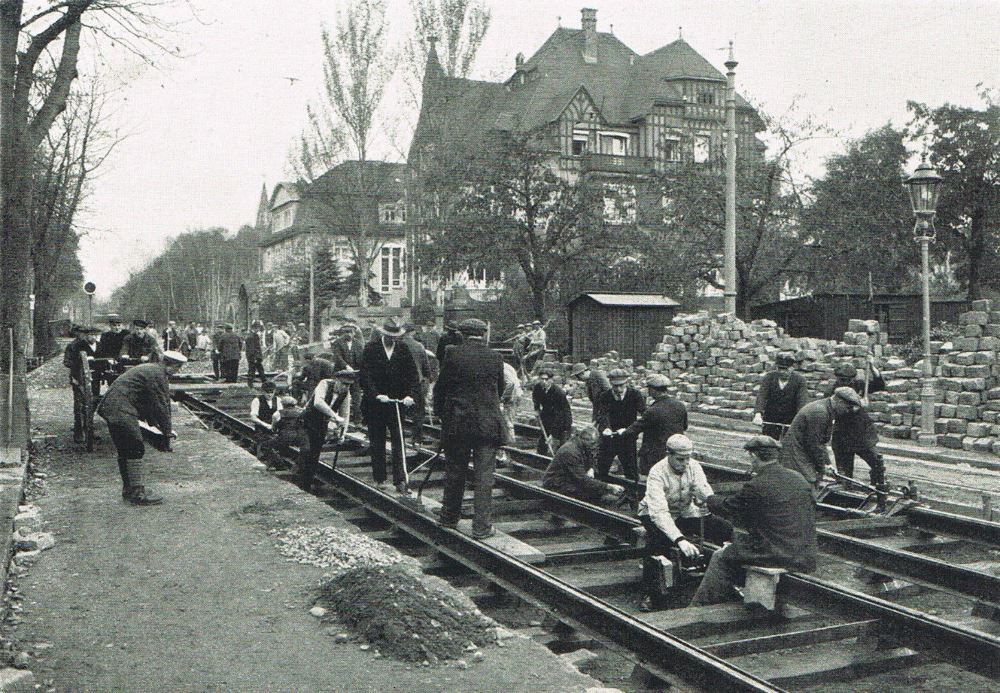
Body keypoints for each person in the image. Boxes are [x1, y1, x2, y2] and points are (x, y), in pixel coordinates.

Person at [691, 435, 817, 606]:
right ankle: (732, 594)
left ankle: (700, 606)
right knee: (736, 543)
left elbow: (728, 507)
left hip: (777, 553)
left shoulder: (756, 485)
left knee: (720, 557)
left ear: (754, 456)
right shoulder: (799, 478)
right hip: (805, 552)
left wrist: (708, 498)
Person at [638, 434, 733, 611]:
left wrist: (710, 504)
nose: (685, 463)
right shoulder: (657, 472)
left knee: (725, 529)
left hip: (685, 512)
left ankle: (727, 581)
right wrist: (680, 540)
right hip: (654, 514)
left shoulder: (693, 466)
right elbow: (659, 513)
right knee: (658, 543)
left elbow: (704, 490)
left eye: (688, 458)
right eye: (680, 459)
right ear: (669, 454)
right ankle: (650, 593)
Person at [433, 318, 504, 539]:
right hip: (487, 425)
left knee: (455, 471)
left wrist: (441, 413)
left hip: (458, 423)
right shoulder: (496, 357)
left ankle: (448, 518)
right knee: (484, 478)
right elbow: (499, 389)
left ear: (461, 335)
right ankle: (481, 528)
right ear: (483, 335)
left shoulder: (452, 353)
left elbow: (441, 387)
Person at [96, 350, 187, 505]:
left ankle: (129, 489)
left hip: (113, 407)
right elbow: (161, 405)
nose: (177, 372)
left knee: (125, 449)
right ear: (170, 364)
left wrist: (158, 426)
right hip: (121, 409)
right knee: (135, 447)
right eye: (177, 368)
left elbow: (148, 403)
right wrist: (167, 430)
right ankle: (137, 494)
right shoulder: (157, 375)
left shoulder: (151, 369)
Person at [360, 316, 420, 494]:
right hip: (376, 404)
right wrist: (376, 394)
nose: (393, 339)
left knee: (398, 441)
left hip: (396, 403)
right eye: (390, 336)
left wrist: (410, 395)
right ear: (383, 334)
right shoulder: (371, 348)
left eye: (396, 336)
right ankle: (379, 478)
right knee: (377, 441)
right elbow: (365, 375)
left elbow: (412, 375)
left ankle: (400, 480)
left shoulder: (403, 349)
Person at [780, 387, 863, 495]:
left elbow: (821, 442)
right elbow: (814, 444)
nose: (847, 411)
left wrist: (828, 463)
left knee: (812, 482)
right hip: (795, 454)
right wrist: (822, 467)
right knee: (805, 486)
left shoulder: (827, 409)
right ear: (839, 401)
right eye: (847, 408)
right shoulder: (820, 412)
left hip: (802, 452)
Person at [826, 359, 888, 496]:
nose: (845, 382)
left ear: (852, 379)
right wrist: (859, 404)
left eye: (848, 380)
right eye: (842, 379)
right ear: (837, 378)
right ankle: (846, 495)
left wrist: (872, 367)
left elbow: (879, 385)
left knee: (877, 464)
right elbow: (834, 410)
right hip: (843, 435)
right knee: (845, 474)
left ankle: (879, 489)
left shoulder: (860, 385)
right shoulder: (832, 391)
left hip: (862, 433)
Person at [297, 370, 352, 491]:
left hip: (321, 425)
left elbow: (345, 414)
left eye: (348, 385)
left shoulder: (346, 394)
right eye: (343, 383)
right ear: (336, 380)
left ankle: (306, 483)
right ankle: (299, 480)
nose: (345, 387)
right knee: (306, 450)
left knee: (314, 455)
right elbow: (318, 403)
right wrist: (334, 416)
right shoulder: (324, 384)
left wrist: (343, 433)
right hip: (306, 422)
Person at [624, 374, 688, 476]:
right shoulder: (680, 405)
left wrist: (622, 432)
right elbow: (684, 426)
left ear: (653, 390)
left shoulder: (653, 410)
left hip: (654, 457)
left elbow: (634, 429)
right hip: (675, 453)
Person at [543, 426, 623, 506]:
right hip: (555, 484)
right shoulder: (570, 452)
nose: (594, 445)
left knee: (596, 489)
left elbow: (592, 458)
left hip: (568, 479)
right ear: (585, 439)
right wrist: (608, 487)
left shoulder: (582, 445)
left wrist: (591, 468)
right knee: (592, 494)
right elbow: (582, 480)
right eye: (593, 443)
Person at [594, 368, 646, 486]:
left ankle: (633, 499)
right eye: (615, 386)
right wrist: (606, 428)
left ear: (626, 382)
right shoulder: (605, 396)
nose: (618, 389)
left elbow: (645, 416)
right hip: (609, 439)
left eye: (621, 385)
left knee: (631, 473)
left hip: (628, 440)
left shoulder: (635, 395)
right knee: (601, 469)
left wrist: (629, 430)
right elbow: (603, 414)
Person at [753, 352, 810, 440]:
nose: (782, 372)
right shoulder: (769, 377)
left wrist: (800, 420)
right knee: (768, 446)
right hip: (771, 418)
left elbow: (802, 401)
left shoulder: (800, 380)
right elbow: (762, 396)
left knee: (788, 447)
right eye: (780, 368)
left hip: (791, 420)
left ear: (792, 368)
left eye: (785, 369)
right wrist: (758, 414)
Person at [64, 325, 100, 443]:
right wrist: (81, 362)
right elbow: (67, 362)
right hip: (79, 378)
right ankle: (78, 432)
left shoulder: (99, 346)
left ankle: (89, 429)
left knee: (92, 403)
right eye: (89, 334)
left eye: (95, 335)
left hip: (94, 379)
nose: (92, 337)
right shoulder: (74, 346)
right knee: (79, 405)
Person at [402, 324, 433, 447]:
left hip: (400, 384)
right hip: (417, 383)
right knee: (419, 412)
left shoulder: (397, 345)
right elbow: (426, 367)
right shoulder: (419, 346)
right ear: (413, 332)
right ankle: (417, 439)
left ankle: (399, 436)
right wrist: (429, 379)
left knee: (399, 410)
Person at [532, 366, 572, 455]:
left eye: (546, 379)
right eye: (541, 379)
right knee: (543, 438)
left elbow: (560, 414)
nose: (544, 382)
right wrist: (536, 409)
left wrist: (553, 434)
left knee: (561, 443)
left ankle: (561, 459)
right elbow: (535, 398)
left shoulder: (558, 392)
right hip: (547, 414)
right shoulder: (538, 387)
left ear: (551, 380)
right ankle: (540, 457)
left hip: (563, 419)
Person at [330, 325, 363, 418]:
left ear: (354, 333)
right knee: (340, 396)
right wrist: (346, 366)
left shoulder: (358, 344)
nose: (348, 334)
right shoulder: (337, 343)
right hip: (342, 374)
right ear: (343, 333)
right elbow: (337, 357)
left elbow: (361, 357)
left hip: (355, 374)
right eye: (346, 332)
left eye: (350, 332)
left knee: (357, 397)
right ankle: (333, 416)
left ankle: (358, 420)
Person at [93, 315, 128, 397]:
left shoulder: (126, 334)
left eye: (119, 325)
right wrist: (108, 359)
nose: (117, 328)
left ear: (122, 325)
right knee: (111, 377)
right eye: (114, 325)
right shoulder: (106, 336)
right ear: (110, 326)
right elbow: (103, 349)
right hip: (110, 361)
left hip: (123, 360)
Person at [497, 360, 523, 464]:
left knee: (507, 423)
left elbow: (510, 383)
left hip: (512, 398)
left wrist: (503, 398)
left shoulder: (502, 368)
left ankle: (510, 451)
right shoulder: (507, 366)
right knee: (508, 422)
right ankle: (509, 451)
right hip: (516, 395)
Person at [244, 320, 266, 387]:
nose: (259, 329)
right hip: (254, 356)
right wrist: (255, 357)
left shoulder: (252, 335)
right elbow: (252, 348)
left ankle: (264, 381)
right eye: (258, 328)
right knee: (252, 370)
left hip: (254, 356)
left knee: (259, 369)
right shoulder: (252, 336)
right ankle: (250, 384)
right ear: (255, 328)